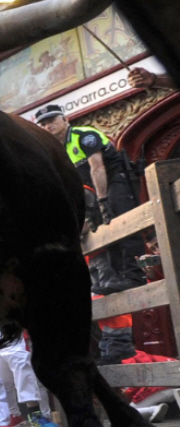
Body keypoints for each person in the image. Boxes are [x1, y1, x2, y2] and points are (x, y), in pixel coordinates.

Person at [35, 104, 147, 293]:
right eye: (43, 124)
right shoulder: (56, 150)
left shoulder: (84, 135)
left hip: (115, 179)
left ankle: (136, 276)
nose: (48, 126)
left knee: (123, 222)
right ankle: (119, 277)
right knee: (106, 231)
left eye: (52, 120)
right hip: (92, 191)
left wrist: (103, 201)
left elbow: (98, 168)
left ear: (65, 119)